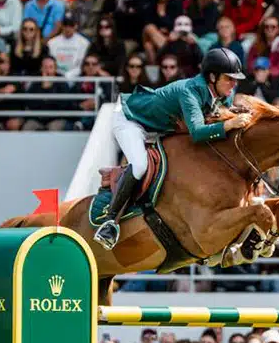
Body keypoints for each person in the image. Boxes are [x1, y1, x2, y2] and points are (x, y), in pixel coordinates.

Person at [93, 47, 249, 249]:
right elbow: (198, 133)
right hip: (132, 120)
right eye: (229, 78)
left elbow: (221, 113)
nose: (234, 84)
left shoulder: (223, 92)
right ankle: (110, 222)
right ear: (212, 77)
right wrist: (229, 125)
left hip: (160, 128)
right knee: (140, 165)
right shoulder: (189, 91)